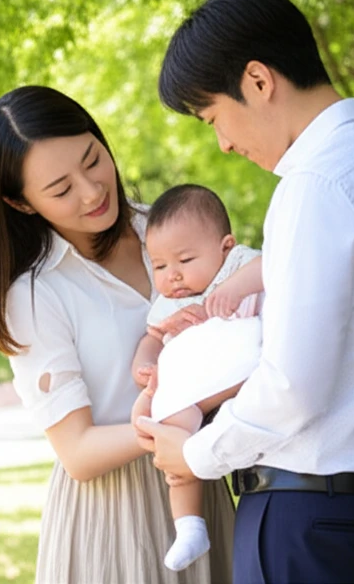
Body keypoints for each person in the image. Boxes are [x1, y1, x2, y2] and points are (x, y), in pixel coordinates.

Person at [134, 0, 354, 584]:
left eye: (214, 117)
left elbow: (293, 385)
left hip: (308, 521)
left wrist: (192, 455)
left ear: (257, 80)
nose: (223, 143)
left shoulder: (317, 186)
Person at [0, 85, 235, 584]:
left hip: (200, 485)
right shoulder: (36, 293)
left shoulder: (167, 228)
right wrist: (169, 428)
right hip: (114, 517)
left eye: (93, 160)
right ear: (20, 204)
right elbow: (78, 452)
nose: (91, 192)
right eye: (61, 190)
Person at [128, 183, 264, 572]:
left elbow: (274, 266)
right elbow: (152, 338)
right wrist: (147, 365)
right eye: (159, 266)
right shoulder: (168, 304)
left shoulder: (238, 265)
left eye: (185, 259)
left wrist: (235, 288)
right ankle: (189, 525)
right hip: (195, 393)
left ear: (225, 246)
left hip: (244, 379)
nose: (172, 276)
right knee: (171, 430)